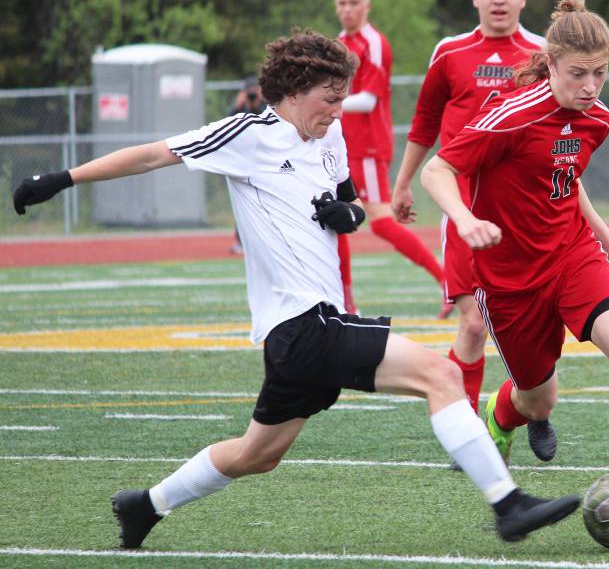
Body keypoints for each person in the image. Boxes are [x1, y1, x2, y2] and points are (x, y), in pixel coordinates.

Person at [11, 29, 578, 549]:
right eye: (329, 99)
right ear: (293, 90)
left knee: (256, 455)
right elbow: (153, 154)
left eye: (342, 98)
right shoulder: (249, 133)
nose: (337, 110)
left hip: (303, 335)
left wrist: (346, 214)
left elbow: (350, 202)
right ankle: (507, 504)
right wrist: (62, 179)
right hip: (305, 323)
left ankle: (145, 506)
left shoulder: (332, 142)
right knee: (444, 374)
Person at [420, 0, 609, 535]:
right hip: (509, 280)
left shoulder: (598, 118)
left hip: (572, 256)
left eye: (600, 73)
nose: (591, 86)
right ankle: (502, 414)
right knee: (538, 398)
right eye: (578, 74)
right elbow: (438, 170)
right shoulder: (511, 116)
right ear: (551, 63)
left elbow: (566, 182)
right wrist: (464, 220)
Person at [391, 0, 555, 460]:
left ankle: (528, 406)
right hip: (462, 208)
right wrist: (402, 183)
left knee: (535, 324)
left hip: (524, 214)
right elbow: (425, 122)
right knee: (472, 322)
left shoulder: (542, 55)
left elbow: (558, 132)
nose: (500, 0)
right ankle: (468, 440)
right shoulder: (450, 53)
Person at [332, 0, 446, 316]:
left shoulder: (375, 42)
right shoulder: (339, 42)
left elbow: (367, 100)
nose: (348, 10)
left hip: (367, 145)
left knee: (380, 221)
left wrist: (324, 102)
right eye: (342, 3)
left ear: (367, 5)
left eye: (354, 3)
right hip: (339, 144)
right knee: (333, 219)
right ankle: (345, 303)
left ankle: (445, 281)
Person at [225, 76, 266, 254]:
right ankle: (241, 242)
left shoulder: (267, 109)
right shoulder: (240, 111)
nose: (251, 96)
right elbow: (224, 127)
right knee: (242, 205)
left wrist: (259, 103)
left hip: (264, 165)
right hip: (243, 164)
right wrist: (238, 106)